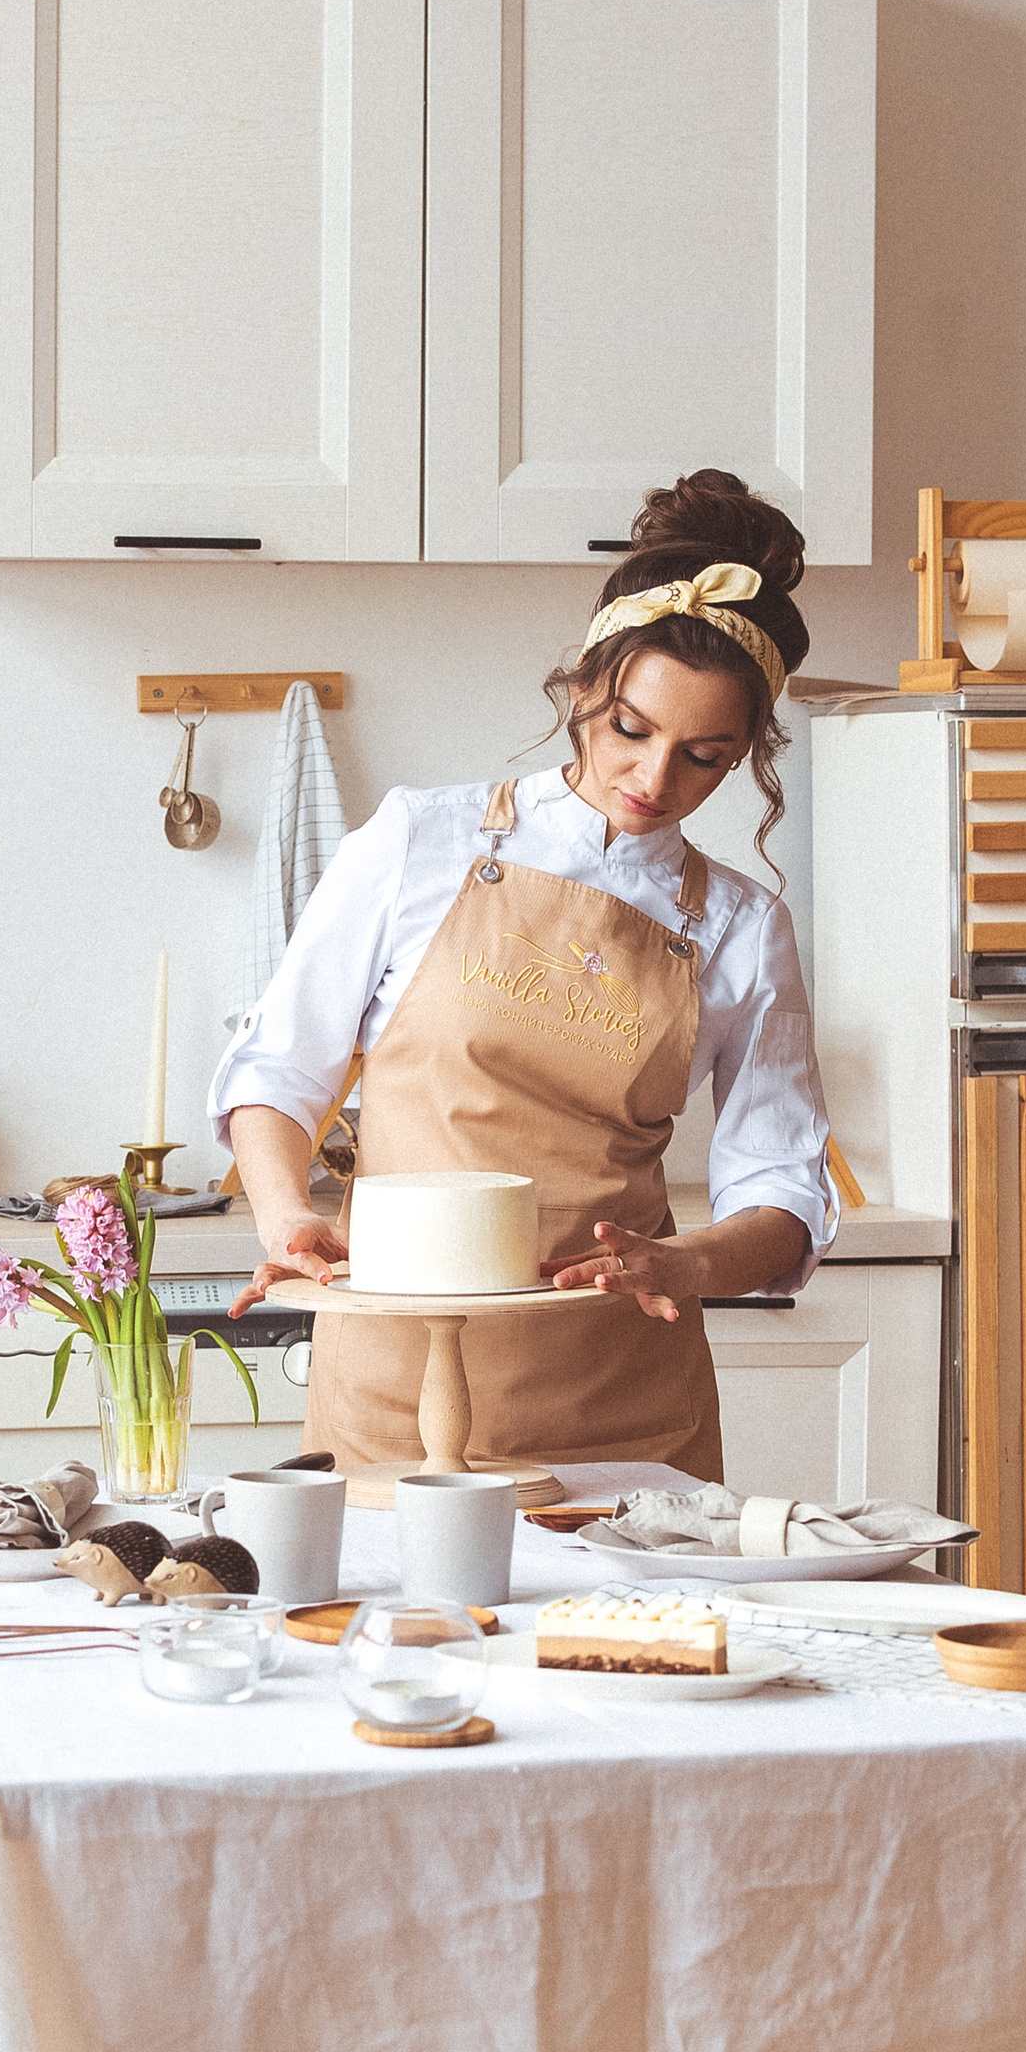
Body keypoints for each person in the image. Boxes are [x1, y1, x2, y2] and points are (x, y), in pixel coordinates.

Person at [212, 472, 835, 1478]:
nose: (652, 780)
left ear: (741, 759)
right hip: (393, 1382)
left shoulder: (737, 925)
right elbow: (279, 1069)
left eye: (703, 757)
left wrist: (685, 1261)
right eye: (630, 730)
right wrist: (289, 1218)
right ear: (583, 684)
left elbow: (782, 1193)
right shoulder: (422, 839)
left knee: (630, 1641)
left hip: (617, 1395)